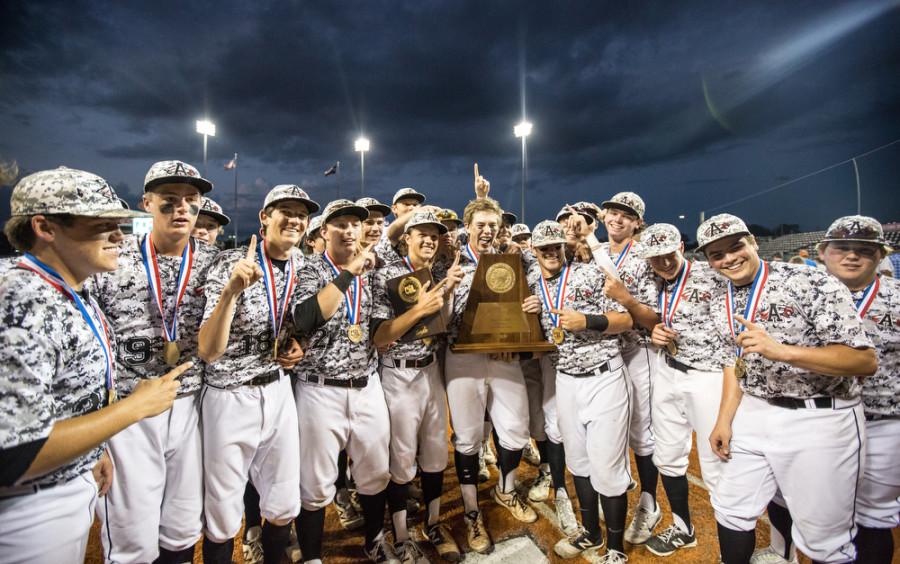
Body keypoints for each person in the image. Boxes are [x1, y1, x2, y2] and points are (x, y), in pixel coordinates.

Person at [0, 167, 187, 563]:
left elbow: (65, 399)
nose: (119, 236)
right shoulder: (19, 298)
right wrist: (133, 408)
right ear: (44, 227)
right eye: (102, 225)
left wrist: (93, 449)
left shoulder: (67, 288)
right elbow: (13, 453)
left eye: (118, 224)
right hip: (23, 510)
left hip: (61, 486)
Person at [698, 213, 877, 564]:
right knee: (731, 508)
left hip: (820, 416)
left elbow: (863, 361)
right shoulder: (721, 300)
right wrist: (724, 420)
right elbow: (735, 364)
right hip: (756, 410)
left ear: (752, 242)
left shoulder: (809, 281)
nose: (728, 259)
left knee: (824, 540)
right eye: (717, 255)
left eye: (735, 247)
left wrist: (782, 351)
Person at [92, 160, 219, 564]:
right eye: (169, 201)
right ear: (146, 203)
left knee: (182, 529)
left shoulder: (215, 261)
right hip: (130, 409)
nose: (182, 209)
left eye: (191, 201)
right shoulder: (112, 257)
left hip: (189, 402)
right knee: (132, 540)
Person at [197, 184, 313, 563]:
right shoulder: (230, 262)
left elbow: (298, 325)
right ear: (265, 217)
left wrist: (300, 345)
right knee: (222, 511)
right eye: (285, 211)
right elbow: (209, 350)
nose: (295, 219)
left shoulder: (303, 266)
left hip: (278, 390)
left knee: (283, 502)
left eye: (301, 213)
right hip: (229, 394)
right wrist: (231, 291)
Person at [607, 223, 729, 557]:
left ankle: (730, 548)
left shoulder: (711, 276)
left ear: (681, 246)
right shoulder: (654, 280)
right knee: (669, 457)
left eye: (668, 254)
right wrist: (656, 330)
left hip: (707, 376)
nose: (664, 262)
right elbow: (653, 318)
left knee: (716, 464)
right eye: (655, 258)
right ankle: (683, 527)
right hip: (667, 369)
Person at [291, 199, 394, 563]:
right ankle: (313, 556)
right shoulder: (309, 269)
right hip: (319, 388)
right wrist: (349, 271)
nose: (351, 230)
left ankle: (375, 539)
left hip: (366, 385)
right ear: (323, 232)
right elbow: (304, 319)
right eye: (341, 224)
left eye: (355, 224)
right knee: (315, 483)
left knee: (375, 472)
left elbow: (379, 327)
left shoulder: (373, 272)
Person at [525, 220, 633, 563]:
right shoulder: (532, 283)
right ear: (534, 251)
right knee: (579, 463)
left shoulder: (586, 274)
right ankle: (591, 531)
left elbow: (626, 319)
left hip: (604, 377)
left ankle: (615, 548)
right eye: (544, 249)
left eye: (556, 247)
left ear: (563, 247)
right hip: (566, 380)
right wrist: (533, 311)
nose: (551, 253)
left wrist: (588, 320)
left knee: (608, 466)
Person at [444, 174, 538, 554]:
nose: (487, 231)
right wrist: (479, 199)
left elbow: (545, 264)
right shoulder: (447, 258)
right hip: (462, 358)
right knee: (467, 437)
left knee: (516, 431)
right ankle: (470, 513)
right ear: (466, 228)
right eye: (480, 225)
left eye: (493, 226)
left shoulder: (512, 255)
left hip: (503, 355)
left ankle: (505, 490)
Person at [372, 210, 465, 562]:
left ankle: (434, 523)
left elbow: (443, 322)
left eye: (434, 235)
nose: (428, 240)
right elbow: (381, 336)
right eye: (421, 234)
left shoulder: (440, 272)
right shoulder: (386, 274)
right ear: (406, 238)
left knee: (436, 453)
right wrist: (421, 307)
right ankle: (400, 536)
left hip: (430, 370)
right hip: (397, 375)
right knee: (400, 460)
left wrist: (449, 289)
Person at [598, 192, 661, 544]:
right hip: (606, 351)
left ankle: (649, 503)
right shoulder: (597, 253)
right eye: (613, 212)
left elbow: (653, 318)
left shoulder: (644, 255)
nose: (617, 219)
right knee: (613, 428)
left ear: (637, 222)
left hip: (639, 351)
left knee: (641, 432)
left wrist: (627, 300)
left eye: (627, 215)